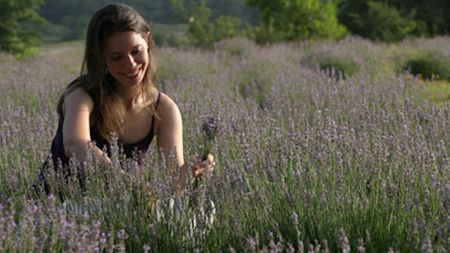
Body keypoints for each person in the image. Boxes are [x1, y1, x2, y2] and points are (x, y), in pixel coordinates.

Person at [37, 3, 214, 195]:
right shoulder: (82, 95)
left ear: (148, 41)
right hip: (56, 208)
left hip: (117, 214)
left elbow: (173, 185)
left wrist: (189, 173)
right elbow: (75, 144)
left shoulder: (163, 109)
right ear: (101, 58)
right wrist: (132, 188)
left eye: (136, 51)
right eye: (116, 57)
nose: (130, 64)